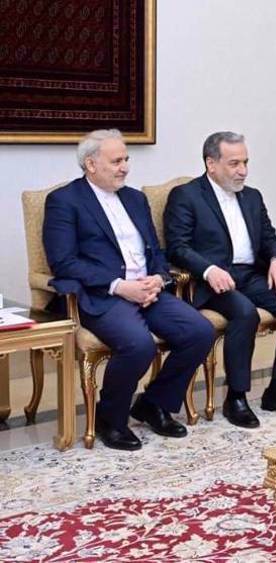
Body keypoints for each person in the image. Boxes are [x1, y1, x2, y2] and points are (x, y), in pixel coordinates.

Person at [43, 129, 215, 451]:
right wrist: (120, 286)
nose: (125, 167)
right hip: (102, 295)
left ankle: (153, 404)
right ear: (91, 164)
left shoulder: (135, 199)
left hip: (148, 291)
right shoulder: (64, 201)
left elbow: (155, 252)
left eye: (126, 159)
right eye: (116, 161)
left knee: (200, 331)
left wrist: (158, 278)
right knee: (138, 345)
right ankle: (110, 419)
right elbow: (64, 262)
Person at [164, 131, 276, 429]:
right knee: (245, 313)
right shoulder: (186, 196)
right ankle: (236, 398)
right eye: (234, 163)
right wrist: (208, 270)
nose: (243, 170)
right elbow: (177, 247)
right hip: (211, 281)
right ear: (211, 164)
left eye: (245, 162)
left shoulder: (252, 196)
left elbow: (269, 237)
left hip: (250, 275)